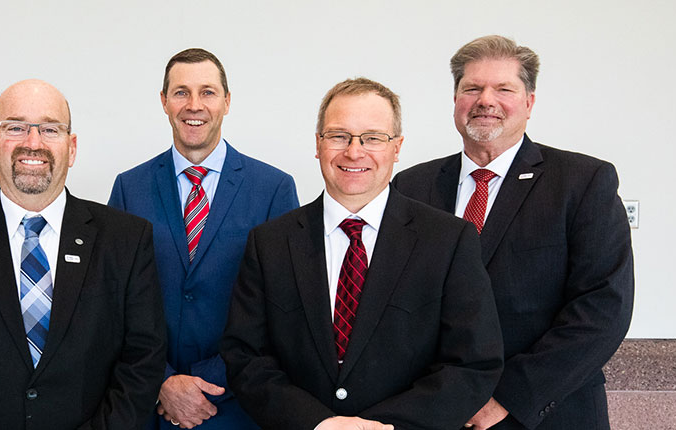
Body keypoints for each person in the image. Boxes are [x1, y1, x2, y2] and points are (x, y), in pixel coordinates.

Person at [221, 77, 504, 430]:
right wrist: (318, 424)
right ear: (318, 144)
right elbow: (246, 357)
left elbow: (473, 362)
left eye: (373, 138)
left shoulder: (448, 240)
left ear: (397, 147)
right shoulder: (270, 243)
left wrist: (383, 427)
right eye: (339, 136)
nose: (354, 152)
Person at [0, 79, 168, 429]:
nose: (32, 143)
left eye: (50, 129)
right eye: (16, 127)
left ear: (72, 147)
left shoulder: (126, 238)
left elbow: (143, 359)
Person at [392, 35, 634, 430]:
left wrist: (508, 396)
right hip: (437, 413)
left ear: (529, 102)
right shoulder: (411, 187)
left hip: (547, 412)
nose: (486, 100)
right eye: (472, 88)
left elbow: (603, 307)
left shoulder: (583, 181)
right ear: (456, 101)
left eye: (504, 89)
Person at [108, 48, 298, 429]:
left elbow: (285, 306)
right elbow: (110, 301)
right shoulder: (130, 188)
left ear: (227, 102)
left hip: (238, 406)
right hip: (148, 405)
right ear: (164, 102)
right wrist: (164, 380)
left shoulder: (274, 189)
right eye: (181, 92)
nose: (194, 105)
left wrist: (208, 383)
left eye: (208, 92)